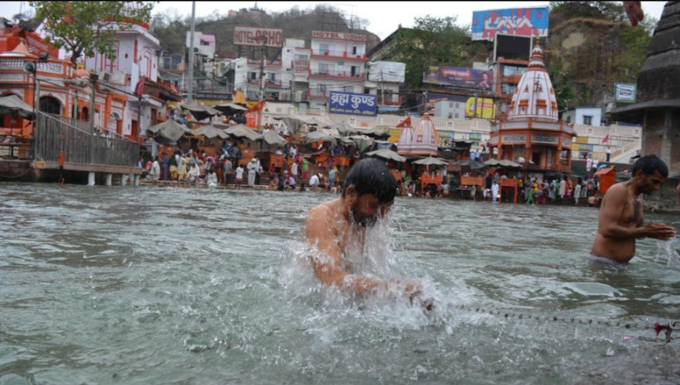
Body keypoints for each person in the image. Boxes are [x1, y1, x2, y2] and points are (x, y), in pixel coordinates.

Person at [304, 158, 433, 309]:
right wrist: (389, 288)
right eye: (374, 205)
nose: (382, 215)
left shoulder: (362, 219)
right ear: (351, 193)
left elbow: (368, 274)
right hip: (317, 305)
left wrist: (406, 291)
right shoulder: (321, 217)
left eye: (387, 208)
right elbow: (331, 278)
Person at [590, 155, 676, 264]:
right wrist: (645, 231)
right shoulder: (618, 191)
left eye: (660, 184)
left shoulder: (639, 197)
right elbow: (606, 229)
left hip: (621, 265)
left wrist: (656, 232)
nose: (657, 187)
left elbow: (634, 232)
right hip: (602, 263)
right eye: (654, 181)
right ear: (640, 174)